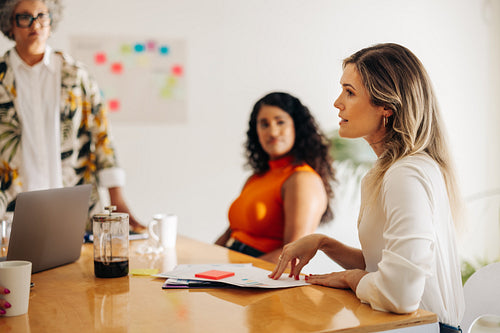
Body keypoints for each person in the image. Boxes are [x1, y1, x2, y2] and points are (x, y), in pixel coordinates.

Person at [269, 43, 465, 332]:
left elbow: (400, 294)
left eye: (350, 92)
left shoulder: (405, 175)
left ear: (387, 106)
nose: (338, 102)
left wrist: (351, 278)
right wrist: (324, 243)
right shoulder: (386, 172)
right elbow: (386, 264)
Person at [0, 0, 145, 232]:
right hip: (11, 211)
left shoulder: (76, 75)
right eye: (25, 17)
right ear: (10, 23)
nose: (35, 24)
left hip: (73, 209)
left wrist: (117, 198)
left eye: (42, 16)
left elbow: (102, 137)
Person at [215, 92, 335, 264]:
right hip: (229, 269)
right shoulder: (256, 178)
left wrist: (236, 275)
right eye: (264, 124)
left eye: (280, 122)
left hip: (257, 277)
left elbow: (294, 255)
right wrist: (202, 267)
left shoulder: (301, 180)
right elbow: (232, 232)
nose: (272, 131)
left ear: (296, 126)